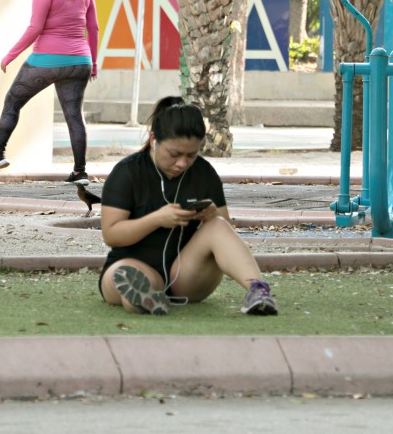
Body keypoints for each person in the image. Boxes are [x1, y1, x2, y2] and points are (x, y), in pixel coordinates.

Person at [98, 96, 278, 316]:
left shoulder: (204, 173)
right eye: (174, 154)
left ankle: (258, 290)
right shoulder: (127, 172)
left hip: (187, 276)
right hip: (133, 263)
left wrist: (210, 216)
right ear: (154, 139)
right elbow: (111, 234)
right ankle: (141, 297)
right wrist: (156, 219)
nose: (182, 163)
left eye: (191, 155)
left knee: (219, 225)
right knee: (126, 274)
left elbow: (226, 234)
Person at [0, 0, 99, 185]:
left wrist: (10, 55)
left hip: (46, 60)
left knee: (13, 101)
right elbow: (92, 29)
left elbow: (35, 28)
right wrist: (93, 63)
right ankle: (79, 172)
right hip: (79, 61)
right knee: (74, 115)